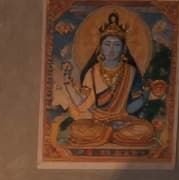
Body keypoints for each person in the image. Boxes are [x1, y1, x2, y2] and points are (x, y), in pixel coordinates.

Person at [61, 12, 154, 147]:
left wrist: (144, 96)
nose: (111, 49)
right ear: (100, 47)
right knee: (76, 129)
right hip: (97, 122)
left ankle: (110, 133)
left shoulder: (131, 71)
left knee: (147, 130)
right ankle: (111, 133)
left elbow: (130, 109)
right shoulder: (92, 72)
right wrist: (68, 83)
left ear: (123, 49)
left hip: (122, 121)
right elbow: (84, 104)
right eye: (107, 44)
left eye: (116, 45)